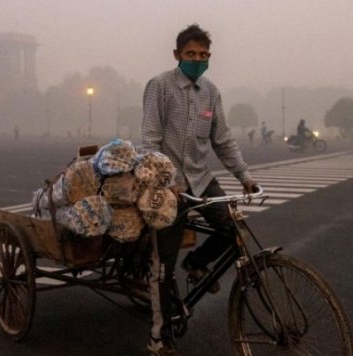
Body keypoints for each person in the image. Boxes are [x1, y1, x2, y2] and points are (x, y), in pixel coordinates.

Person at [141, 24, 257, 355]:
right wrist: (169, 180)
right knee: (162, 264)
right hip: (167, 184)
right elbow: (150, 139)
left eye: (203, 55)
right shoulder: (160, 86)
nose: (197, 59)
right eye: (190, 54)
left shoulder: (211, 92)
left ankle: (195, 263)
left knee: (234, 229)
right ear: (177, 55)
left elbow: (222, 140)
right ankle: (158, 338)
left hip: (201, 179)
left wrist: (245, 176)